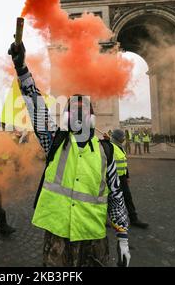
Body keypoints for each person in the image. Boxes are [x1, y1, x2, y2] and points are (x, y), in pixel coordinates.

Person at [9, 42, 130, 267]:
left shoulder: (108, 151)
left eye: (82, 112)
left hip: (92, 238)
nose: (78, 116)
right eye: (73, 111)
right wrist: (22, 69)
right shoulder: (54, 141)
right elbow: (36, 105)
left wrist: (123, 237)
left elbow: (116, 196)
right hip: (58, 237)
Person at [108, 130, 149, 229]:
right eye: (122, 137)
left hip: (122, 178)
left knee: (128, 198)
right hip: (112, 177)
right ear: (118, 138)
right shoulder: (109, 147)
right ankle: (102, 220)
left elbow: (123, 163)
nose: (123, 139)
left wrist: (127, 176)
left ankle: (134, 219)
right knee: (107, 199)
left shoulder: (120, 148)